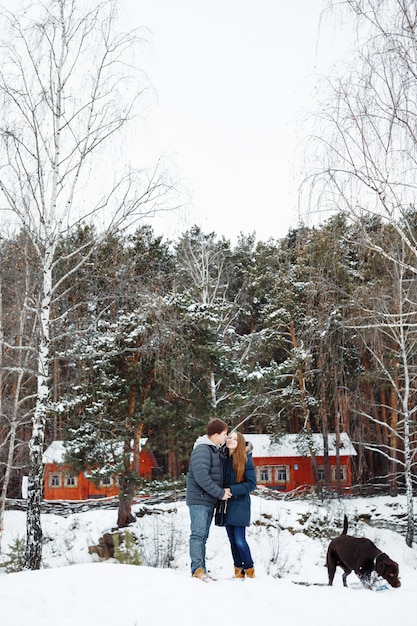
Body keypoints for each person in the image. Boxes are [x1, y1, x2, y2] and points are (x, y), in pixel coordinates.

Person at [186, 418, 232, 581]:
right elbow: (201, 476)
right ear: (215, 434)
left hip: (206, 499)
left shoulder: (213, 450)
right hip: (199, 499)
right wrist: (219, 493)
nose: (226, 437)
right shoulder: (203, 450)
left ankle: (201, 569)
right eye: (224, 434)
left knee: (202, 536)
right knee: (198, 535)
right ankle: (197, 569)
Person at [221, 430, 256, 579]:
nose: (230, 440)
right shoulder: (223, 458)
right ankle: (238, 570)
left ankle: (249, 569)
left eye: (234, 439)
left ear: (240, 442)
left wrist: (232, 490)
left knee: (240, 540)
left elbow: (251, 484)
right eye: (229, 437)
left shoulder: (245, 459)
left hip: (240, 504)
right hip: (226, 505)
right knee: (232, 541)